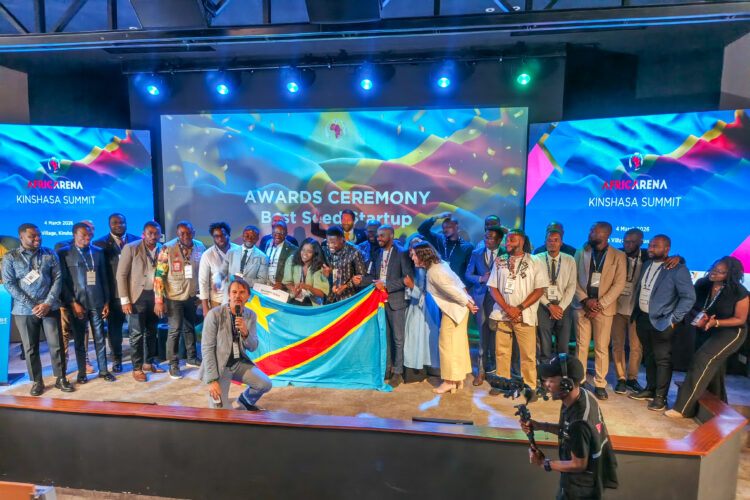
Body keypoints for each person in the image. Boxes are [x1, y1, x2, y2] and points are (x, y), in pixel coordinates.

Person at [521, 355, 618, 500]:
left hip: (580, 490)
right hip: (581, 483)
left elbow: (578, 464)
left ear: (567, 384)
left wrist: (544, 463)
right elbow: (568, 431)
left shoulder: (579, 422)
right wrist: (541, 426)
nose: (546, 384)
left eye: (551, 380)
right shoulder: (581, 395)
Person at [667, 257, 748, 418]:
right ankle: (719, 408)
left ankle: (682, 408)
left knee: (702, 359)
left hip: (731, 332)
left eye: (719, 271)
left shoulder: (739, 292)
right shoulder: (703, 284)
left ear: (730, 274)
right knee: (714, 368)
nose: (713, 273)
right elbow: (693, 306)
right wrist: (699, 317)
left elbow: (740, 319)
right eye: (713, 268)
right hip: (707, 329)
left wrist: (715, 322)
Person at [2, 223, 73, 395]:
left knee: (56, 344)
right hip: (24, 310)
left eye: (39, 235)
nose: (37, 238)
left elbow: (58, 279)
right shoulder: (11, 257)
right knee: (30, 347)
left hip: (50, 307)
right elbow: (9, 284)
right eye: (32, 236)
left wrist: (47, 303)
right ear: (21, 237)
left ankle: (61, 378)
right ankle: (37, 381)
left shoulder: (50, 253)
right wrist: (32, 305)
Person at [628, 235, 695, 411]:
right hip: (643, 319)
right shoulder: (647, 264)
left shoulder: (678, 269)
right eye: (650, 245)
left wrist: (674, 318)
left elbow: (689, 297)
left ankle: (661, 397)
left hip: (663, 322)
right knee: (649, 357)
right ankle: (650, 389)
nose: (650, 249)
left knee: (662, 360)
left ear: (667, 249)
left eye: (655, 246)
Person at [410, 242, 477, 394]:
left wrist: (468, 302)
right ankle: (457, 378)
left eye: (414, 255)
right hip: (458, 310)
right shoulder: (441, 265)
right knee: (457, 345)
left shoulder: (434, 272)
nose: (412, 258)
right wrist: (467, 298)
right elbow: (458, 281)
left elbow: (452, 291)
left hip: (454, 312)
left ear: (422, 256)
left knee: (447, 346)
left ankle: (448, 381)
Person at [487, 229, 547, 394]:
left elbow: (539, 290)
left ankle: (530, 386)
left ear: (522, 242)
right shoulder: (500, 260)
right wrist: (508, 308)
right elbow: (492, 288)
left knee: (528, 355)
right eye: (507, 240)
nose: (507, 243)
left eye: (512, 240)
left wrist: (519, 308)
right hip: (503, 314)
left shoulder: (535, 261)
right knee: (501, 352)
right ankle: (503, 383)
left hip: (524, 316)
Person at [572, 222, 627, 400]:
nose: (590, 233)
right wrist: (586, 300)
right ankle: (579, 381)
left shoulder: (619, 256)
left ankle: (600, 383)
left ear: (605, 234)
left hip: (604, 309)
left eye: (593, 231)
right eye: (590, 230)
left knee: (602, 348)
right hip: (582, 306)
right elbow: (573, 278)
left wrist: (599, 305)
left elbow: (619, 284)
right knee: (581, 345)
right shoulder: (581, 252)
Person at [199, 278, 272, 411]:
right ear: (229, 295)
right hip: (220, 367)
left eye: (242, 292)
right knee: (220, 413)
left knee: (265, 384)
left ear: (248, 296)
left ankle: (246, 400)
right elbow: (207, 349)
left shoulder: (250, 315)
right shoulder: (214, 315)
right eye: (234, 292)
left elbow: (253, 347)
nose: (238, 296)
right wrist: (212, 380)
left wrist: (245, 332)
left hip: (238, 364)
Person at [58, 222, 115, 384]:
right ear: (74, 235)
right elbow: (63, 282)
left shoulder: (98, 251)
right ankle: (82, 373)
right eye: (83, 234)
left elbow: (104, 278)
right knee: (79, 341)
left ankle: (103, 370)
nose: (87, 237)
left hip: (97, 302)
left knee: (99, 338)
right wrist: (72, 302)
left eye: (89, 234)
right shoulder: (64, 252)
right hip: (78, 305)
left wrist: (106, 301)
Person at [154, 221, 203, 380]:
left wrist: (201, 295)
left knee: (189, 327)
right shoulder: (167, 248)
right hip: (173, 296)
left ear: (193, 233)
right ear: (177, 234)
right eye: (182, 233)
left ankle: (192, 357)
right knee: (175, 330)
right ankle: (173, 364)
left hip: (191, 295)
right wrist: (159, 300)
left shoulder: (200, 246)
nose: (186, 236)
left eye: (189, 233)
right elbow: (159, 276)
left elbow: (203, 272)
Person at [117, 221, 165, 382]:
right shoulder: (131, 248)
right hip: (136, 297)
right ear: (144, 233)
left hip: (155, 296)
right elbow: (121, 275)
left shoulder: (163, 249)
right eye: (150, 233)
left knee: (152, 331)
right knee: (136, 334)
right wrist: (125, 300)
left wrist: (161, 299)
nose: (153, 236)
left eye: (156, 233)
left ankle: (148, 363)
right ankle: (136, 368)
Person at [368, 225, 414, 387]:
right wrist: (361, 280)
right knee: (385, 338)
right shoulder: (377, 253)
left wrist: (386, 285)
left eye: (382, 236)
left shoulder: (402, 253)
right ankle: (387, 369)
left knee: (398, 339)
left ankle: (398, 372)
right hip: (380, 302)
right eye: (378, 235)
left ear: (391, 236)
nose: (378, 238)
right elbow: (374, 277)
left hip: (397, 302)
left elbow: (408, 279)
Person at [93, 213, 138, 373]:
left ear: (126, 223)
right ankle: (117, 358)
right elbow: (99, 274)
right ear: (109, 224)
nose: (118, 225)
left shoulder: (137, 241)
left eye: (121, 222)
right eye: (114, 223)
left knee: (136, 328)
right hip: (113, 295)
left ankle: (138, 358)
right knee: (114, 330)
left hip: (134, 294)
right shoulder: (99, 244)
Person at [465, 226, 504, 386]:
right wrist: (481, 278)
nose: (487, 240)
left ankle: (495, 371)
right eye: (486, 237)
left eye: (491, 237)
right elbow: (468, 274)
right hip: (481, 298)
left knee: (497, 337)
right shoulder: (476, 253)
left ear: (499, 240)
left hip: (499, 300)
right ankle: (480, 371)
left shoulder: (506, 254)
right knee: (482, 337)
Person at [56, 219, 95, 374]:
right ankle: (63, 362)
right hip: (65, 299)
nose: (90, 233)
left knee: (83, 331)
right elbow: (61, 277)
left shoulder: (92, 248)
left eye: (92, 230)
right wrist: (70, 300)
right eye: (87, 230)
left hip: (85, 298)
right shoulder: (62, 247)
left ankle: (85, 360)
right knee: (64, 331)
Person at [611, 228, 646, 395]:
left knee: (636, 346)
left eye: (632, 242)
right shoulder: (617, 255)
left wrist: (677, 258)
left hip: (636, 310)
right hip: (617, 308)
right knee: (617, 345)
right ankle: (621, 378)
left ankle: (632, 377)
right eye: (625, 241)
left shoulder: (648, 257)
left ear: (640, 242)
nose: (628, 245)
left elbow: (673, 259)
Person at [402, 237, 441, 383]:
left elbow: (426, 292)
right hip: (414, 306)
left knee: (423, 337)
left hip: (426, 308)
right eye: (411, 248)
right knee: (413, 337)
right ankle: (414, 369)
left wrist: (412, 286)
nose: (412, 254)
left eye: (416, 250)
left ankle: (425, 368)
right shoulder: (412, 265)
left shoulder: (430, 269)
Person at [536, 228, 577, 364]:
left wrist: (560, 307)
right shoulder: (537, 259)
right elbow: (534, 286)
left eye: (556, 240)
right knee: (544, 344)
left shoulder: (569, 260)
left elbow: (572, 286)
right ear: (545, 241)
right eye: (549, 240)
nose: (552, 243)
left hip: (563, 306)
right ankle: (545, 371)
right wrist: (549, 306)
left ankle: (562, 372)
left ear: (561, 243)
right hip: (543, 305)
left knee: (563, 345)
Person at [418, 212, 474, 286]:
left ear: (457, 227)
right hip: (438, 284)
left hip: (457, 287)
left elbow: (469, 272)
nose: (445, 230)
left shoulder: (467, 247)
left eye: (448, 227)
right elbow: (422, 230)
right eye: (444, 228)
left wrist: (464, 288)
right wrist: (437, 217)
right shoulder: (439, 239)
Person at [199, 222, 240, 313]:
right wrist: (205, 307)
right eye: (216, 236)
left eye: (223, 235)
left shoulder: (239, 250)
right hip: (218, 301)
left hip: (238, 299)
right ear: (213, 238)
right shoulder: (207, 255)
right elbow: (203, 282)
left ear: (229, 235)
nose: (220, 238)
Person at [218, 225, 268, 295]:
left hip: (249, 296)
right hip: (230, 294)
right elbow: (222, 272)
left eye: (253, 237)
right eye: (247, 236)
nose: (249, 239)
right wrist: (217, 281)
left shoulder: (263, 257)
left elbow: (262, 281)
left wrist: (243, 280)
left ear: (257, 238)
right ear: (242, 236)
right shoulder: (231, 252)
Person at [322, 226, 367, 303]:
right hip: (330, 299)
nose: (330, 245)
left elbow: (361, 277)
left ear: (341, 240)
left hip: (348, 299)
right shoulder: (325, 248)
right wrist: (328, 271)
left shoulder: (354, 251)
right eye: (328, 242)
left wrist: (345, 286)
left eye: (333, 243)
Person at [281, 238, 330, 306]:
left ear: (315, 253)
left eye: (309, 251)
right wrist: (294, 289)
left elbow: (321, 294)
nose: (305, 254)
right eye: (303, 250)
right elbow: (287, 282)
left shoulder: (319, 266)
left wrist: (307, 287)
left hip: (311, 303)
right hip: (293, 299)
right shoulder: (292, 260)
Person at [263, 220, 298, 289]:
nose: (278, 236)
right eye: (275, 232)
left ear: (286, 234)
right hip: (265, 285)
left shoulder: (293, 250)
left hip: (281, 289)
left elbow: (296, 274)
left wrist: (283, 286)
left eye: (281, 233)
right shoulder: (268, 243)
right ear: (272, 232)